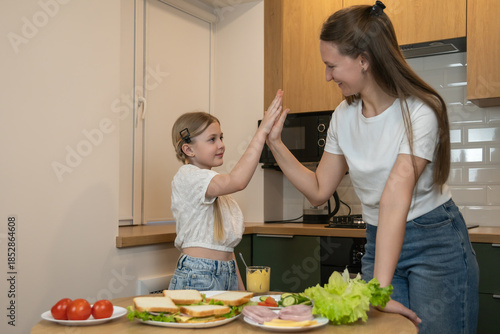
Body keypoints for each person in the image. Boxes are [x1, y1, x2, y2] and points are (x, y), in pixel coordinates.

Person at [266, 2, 479, 333]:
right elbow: (320, 190)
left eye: (331, 65)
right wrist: (276, 144)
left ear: (364, 60)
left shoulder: (421, 110)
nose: (327, 76)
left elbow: (397, 190)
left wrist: (378, 289)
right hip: (380, 239)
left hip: (434, 242)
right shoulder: (343, 115)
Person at [168, 90, 283, 291]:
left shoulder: (217, 190)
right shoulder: (187, 177)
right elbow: (237, 180)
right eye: (212, 139)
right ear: (189, 149)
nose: (222, 145)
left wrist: (241, 292)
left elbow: (226, 249)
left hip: (226, 272)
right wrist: (261, 132)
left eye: (221, 137)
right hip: (198, 274)